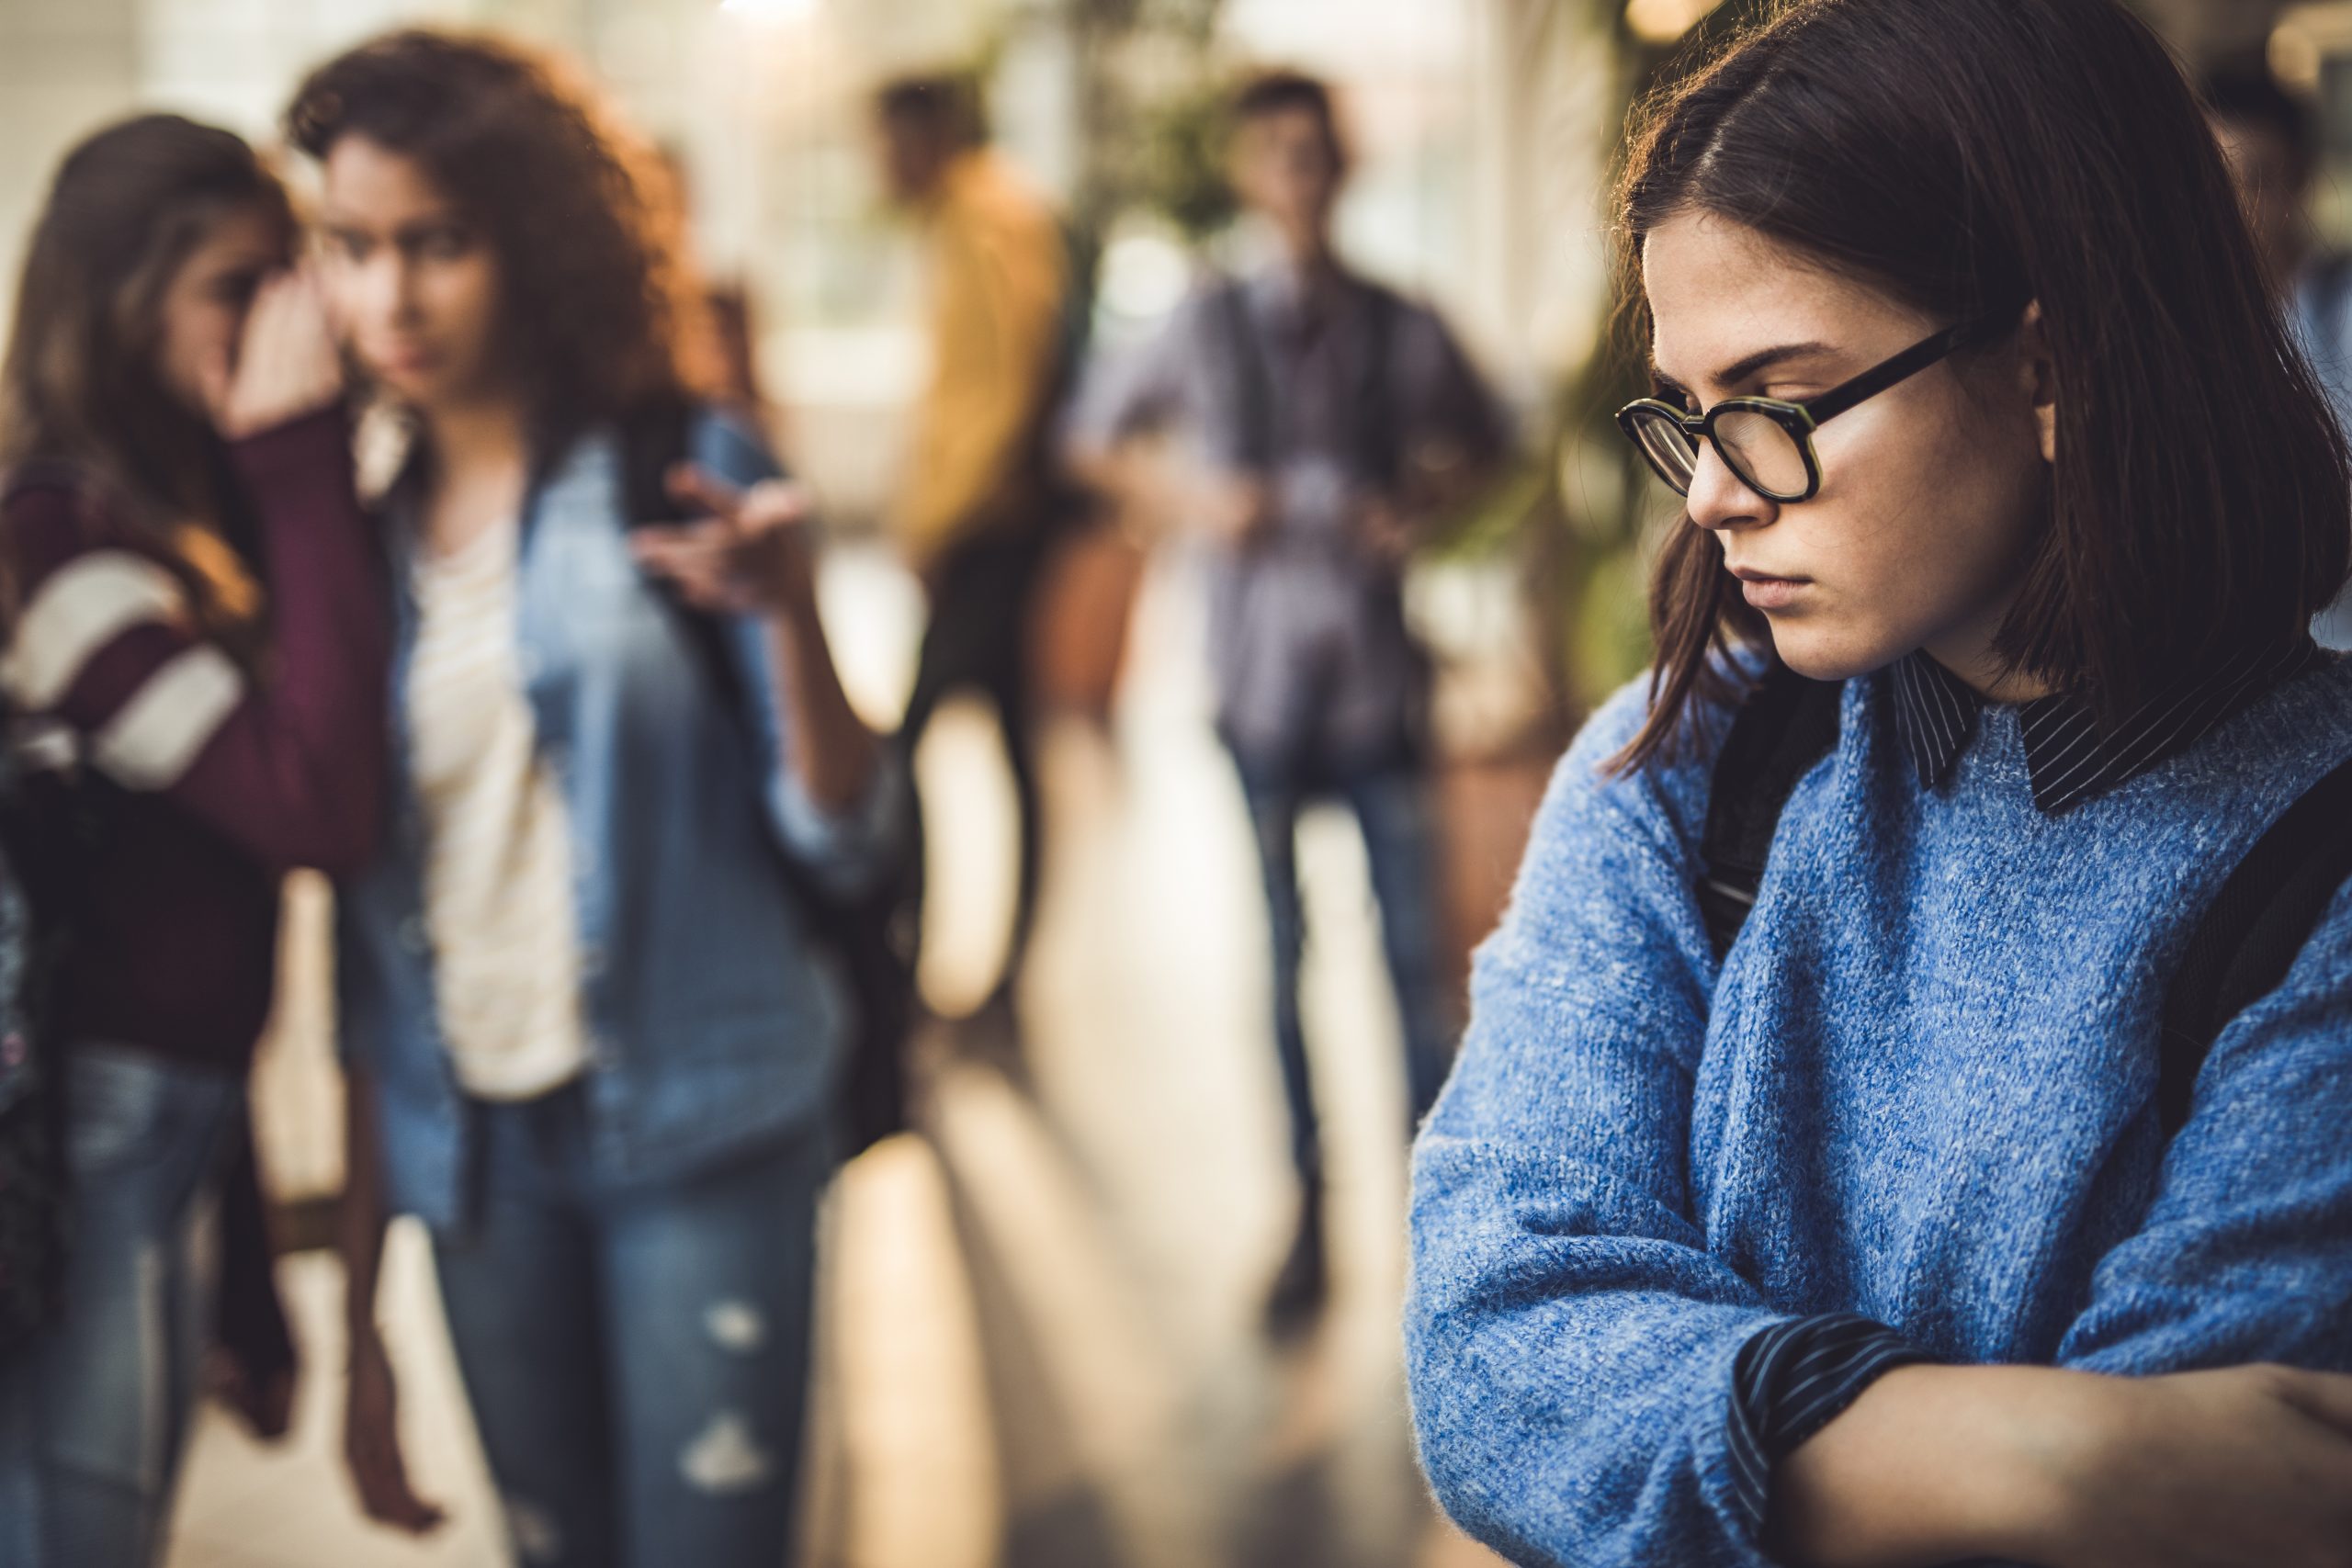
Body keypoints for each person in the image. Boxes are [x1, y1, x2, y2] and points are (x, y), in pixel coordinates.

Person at [1404, 2, 2352, 1564]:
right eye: (1691, 415)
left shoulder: (2309, 864)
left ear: (2049, 360)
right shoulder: (1692, 765)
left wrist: (1701, 1414)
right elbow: (1494, 1347)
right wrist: (2064, 1463)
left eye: (1776, 402)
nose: (1713, 492)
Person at [285, 31, 896, 1567]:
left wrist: (790, 609)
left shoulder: (678, 467)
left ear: (533, 240)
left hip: (703, 1123)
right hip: (478, 1166)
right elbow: (363, 959)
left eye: (438, 242)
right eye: (351, 248)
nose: (391, 299)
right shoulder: (350, 538)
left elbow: (845, 827)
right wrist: (358, 1318)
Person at [0, 115, 388, 1566]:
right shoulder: (54, 536)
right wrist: (295, 466)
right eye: (243, 286)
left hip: (175, 1121)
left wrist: (242, 1287)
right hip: (94, 1132)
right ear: (121, 298)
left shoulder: (172, 513)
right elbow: (316, 808)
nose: (291, 320)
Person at [1068, 70, 1509, 1323]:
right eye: (1274, 155)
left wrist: (1418, 509)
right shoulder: (1198, 324)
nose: (1297, 178)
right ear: (1246, 172)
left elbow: (1488, 437)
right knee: (1280, 964)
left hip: (1374, 682)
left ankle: (1450, 1232)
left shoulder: (1399, 320)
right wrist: (1200, 503)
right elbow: (1089, 439)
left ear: (1343, 166)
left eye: (1314, 154)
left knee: (1414, 964)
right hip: (1256, 682)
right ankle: (1307, 1215)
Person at [876, 72, 1072, 1027]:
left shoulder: (986, 218)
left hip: (991, 531)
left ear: (930, 131)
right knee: (1001, 741)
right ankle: (991, 973)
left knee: (916, 739)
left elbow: (1002, 390)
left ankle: (917, 960)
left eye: (888, 142)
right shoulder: (970, 216)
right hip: (983, 525)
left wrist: (935, 524)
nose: (881, 166)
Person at [2203, 67, 2352, 650]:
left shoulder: (2339, 315)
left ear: (2302, 182)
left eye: (2255, 181)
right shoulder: (2187, 333)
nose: (2231, 209)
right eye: (2212, 182)